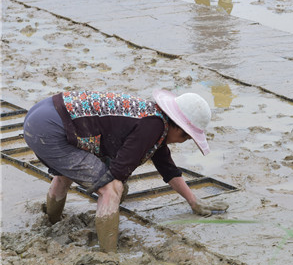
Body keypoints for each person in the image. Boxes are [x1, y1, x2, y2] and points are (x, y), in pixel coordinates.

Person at [22, 89, 216, 252]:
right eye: (186, 137)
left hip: (40, 117)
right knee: (113, 188)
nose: (182, 142)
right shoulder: (153, 126)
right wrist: (115, 185)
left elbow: (167, 167)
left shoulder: (154, 118)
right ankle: (108, 256)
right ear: (179, 127)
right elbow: (117, 173)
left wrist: (193, 201)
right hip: (52, 129)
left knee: (65, 175)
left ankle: (52, 222)